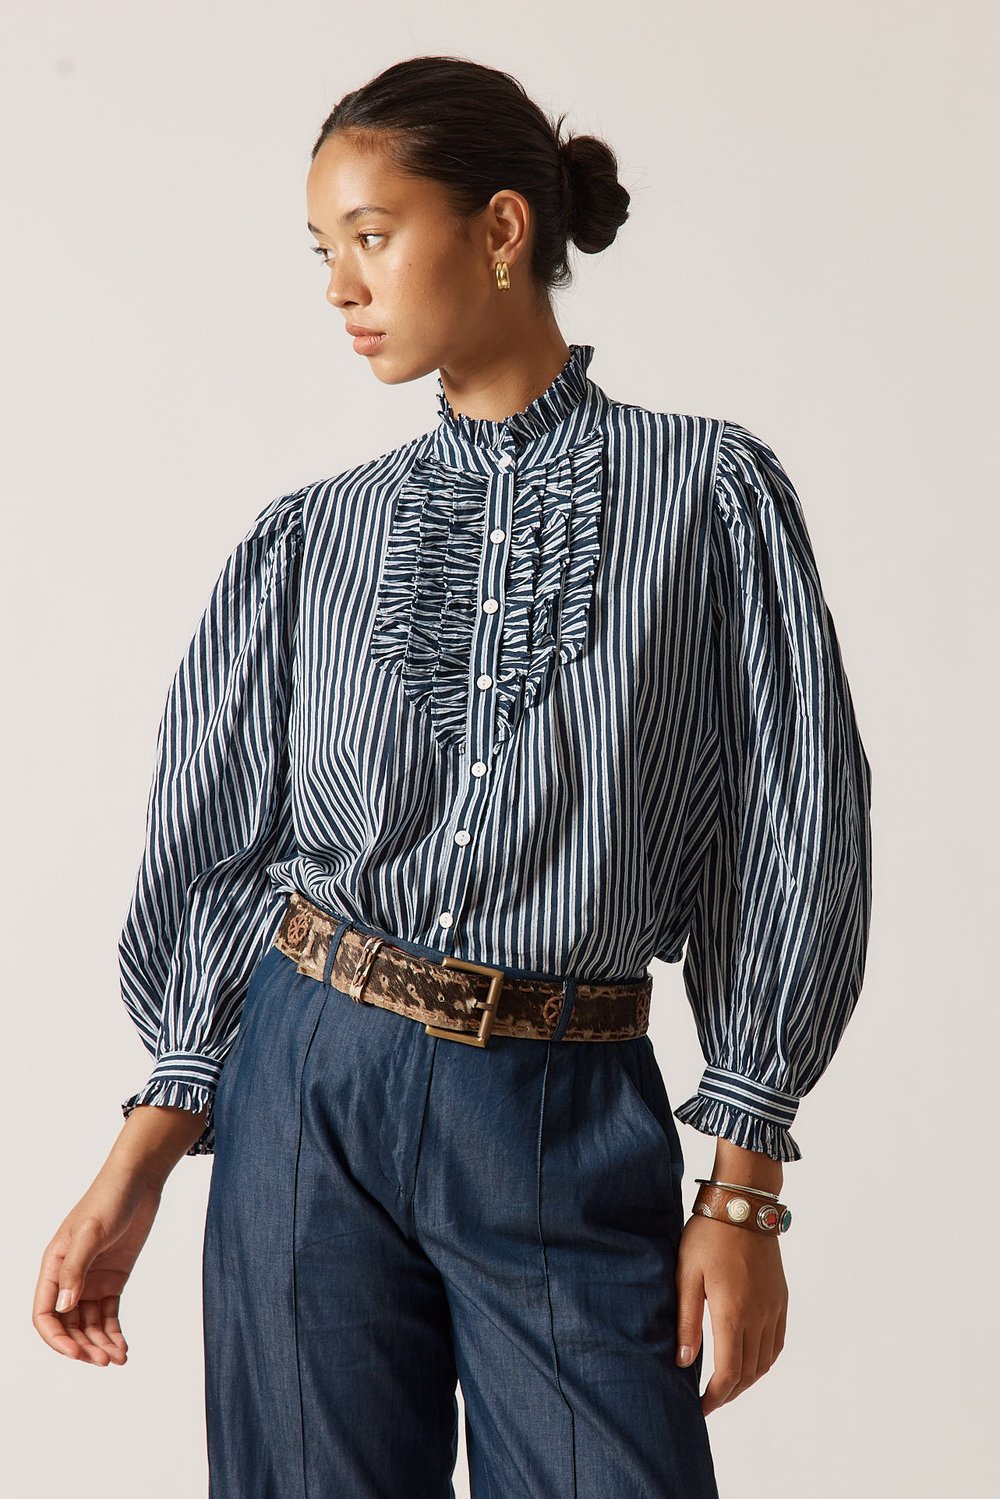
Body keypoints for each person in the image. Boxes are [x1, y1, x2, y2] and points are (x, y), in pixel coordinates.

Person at [33, 53, 873, 1499]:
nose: (340, 286)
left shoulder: (709, 496)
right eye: (322, 251)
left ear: (499, 229)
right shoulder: (311, 538)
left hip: (560, 1102)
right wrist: (146, 1151)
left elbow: (794, 825)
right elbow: (227, 851)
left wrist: (745, 1183)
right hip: (306, 1084)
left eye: (371, 235)